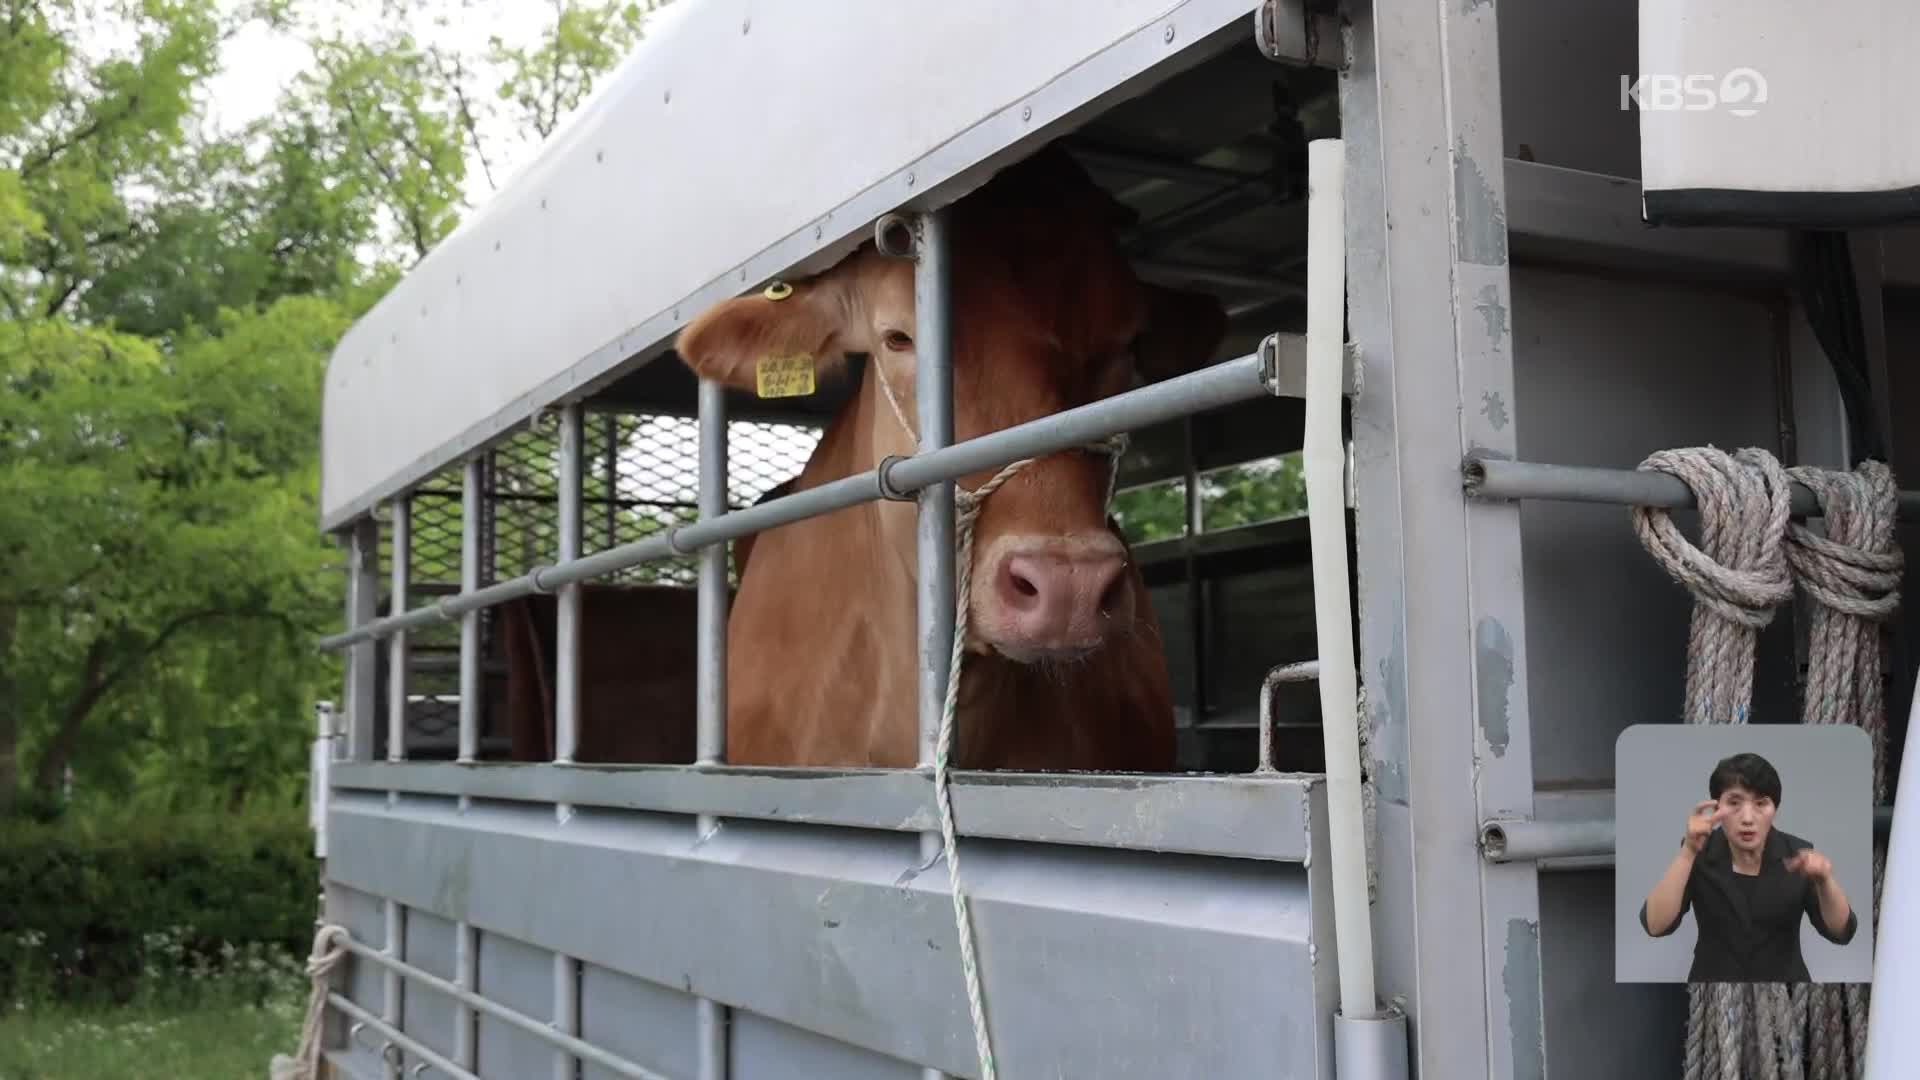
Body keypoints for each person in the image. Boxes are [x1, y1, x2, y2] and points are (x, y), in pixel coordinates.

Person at [1639, 750, 1857, 982]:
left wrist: (1825, 880)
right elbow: (1655, 925)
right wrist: (1688, 851)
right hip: (1713, 994)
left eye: (1761, 804)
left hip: (1785, 992)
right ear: (1717, 807)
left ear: (1774, 809)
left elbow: (1841, 931)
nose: (1747, 818)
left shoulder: (1798, 853)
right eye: (1734, 803)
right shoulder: (1699, 853)